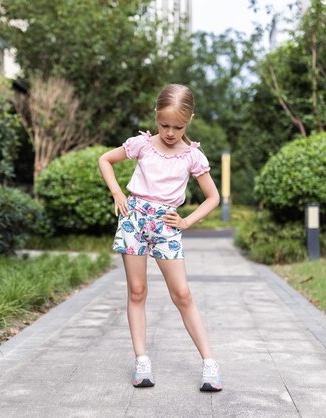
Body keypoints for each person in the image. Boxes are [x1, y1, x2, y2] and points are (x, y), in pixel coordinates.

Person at [98, 84, 222, 392]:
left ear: (189, 120)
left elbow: (213, 197)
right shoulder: (142, 145)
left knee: (182, 295)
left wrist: (186, 221)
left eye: (178, 127)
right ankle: (142, 361)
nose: (169, 132)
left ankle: (209, 363)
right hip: (134, 220)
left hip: (167, 227)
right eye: (164, 125)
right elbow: (105, 160)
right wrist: (116, 192)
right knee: (137, 291)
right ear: (156, 116)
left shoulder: (192, 156)